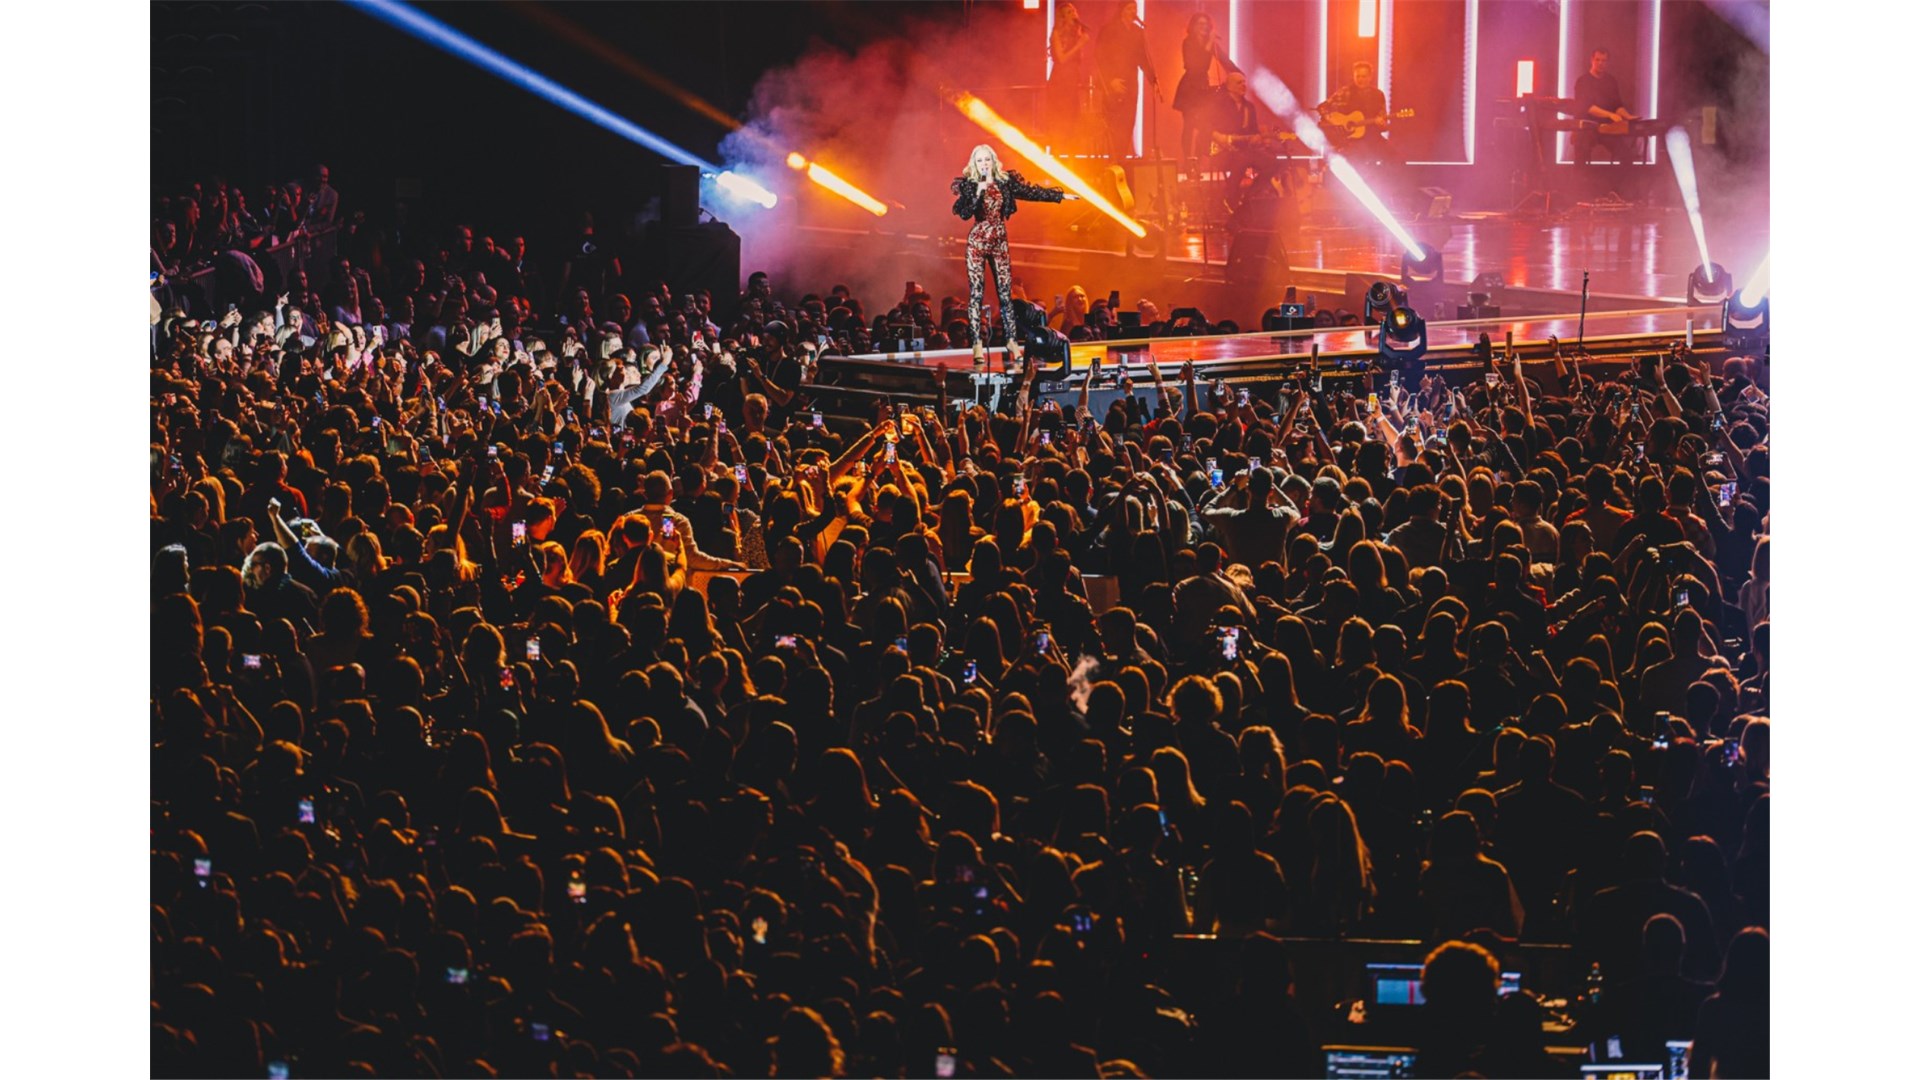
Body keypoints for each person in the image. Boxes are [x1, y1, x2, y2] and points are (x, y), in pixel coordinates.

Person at [948, 145, 1078, 371]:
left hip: (999, 239)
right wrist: (977, 191)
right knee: (976, 293)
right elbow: (963, 212)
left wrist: (1060, 196)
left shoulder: (1004, 182)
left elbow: (1031, 192)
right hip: (978, 239)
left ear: (993, 161)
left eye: (987, 160)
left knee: (1005, 294)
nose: (984, 164)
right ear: (974, 164)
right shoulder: (969, 186)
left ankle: (1011, 341)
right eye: (979, 161)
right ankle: (977, 343)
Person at [1172, 12, 1239, 171]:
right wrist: (1209, 43)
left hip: (1203, 88)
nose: (1204, 27)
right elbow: (1196, 66)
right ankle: (1188, 160)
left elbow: (1224, 60)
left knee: (1204, 126)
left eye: (1206, 24)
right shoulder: (1188, 43)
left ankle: (1198, 161)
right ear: (1193, 27)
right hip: (1189, 88)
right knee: (1189, 126)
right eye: (1200, 24)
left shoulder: (1212, 45)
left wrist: (1238, 73)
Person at [1095, 0, 1159, 162]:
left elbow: (1143, 58)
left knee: (1128, 122)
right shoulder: (1109, 29)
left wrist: (1153, 80)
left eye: (1135, 8)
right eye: (1130, 8)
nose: (1133, 12)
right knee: (1114, 125)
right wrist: (1110, 81)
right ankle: (1113, 163)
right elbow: (1100, 57)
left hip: (1131, 80)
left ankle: (1121, 161)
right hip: (1114, 81)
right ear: (1122, 10)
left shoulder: (1138, 31)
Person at [1317, 61, 1395, 162]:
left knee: (1394, 159)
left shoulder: (1378, 95)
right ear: (1353, 76)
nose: (1360, 79)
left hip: (1372, 138)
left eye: (1364, 76)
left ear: (1370, 77)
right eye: (1358, 76)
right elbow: (1322, 107)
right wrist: (1333, 120)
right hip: (1351, 140)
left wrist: (1382, 124)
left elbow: (1384, 125)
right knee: (1356, 157)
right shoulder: (1345, 92)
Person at [1573, 47, 1637, 163]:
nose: (1600, 63)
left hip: (1607, 128)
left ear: (1607, 62)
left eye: (1604, 61)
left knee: (1626, 155)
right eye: (1598, 60)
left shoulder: (1611, 81)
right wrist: (1610, 115)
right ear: (1591, 60)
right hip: (1587, 128)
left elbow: (1617, 105)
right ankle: (1581, 179)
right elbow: (1587, 107)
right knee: (1582, 150)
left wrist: (1628, 116)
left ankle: (1622, 180)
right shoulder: (1583, 81)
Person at [1048, 4, 1093, 155]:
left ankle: (1071, 159)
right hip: (1060, 79)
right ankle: (1057, 155)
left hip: (1072, 78)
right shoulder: (1056, 34)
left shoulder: (1077, 33)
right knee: (1060, 119)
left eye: (1074, 10)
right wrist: (1079, 44)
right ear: (1063, 17)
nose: (1073, 13)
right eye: (1069, 12)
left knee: (1073, 120)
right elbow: (1061, 58)